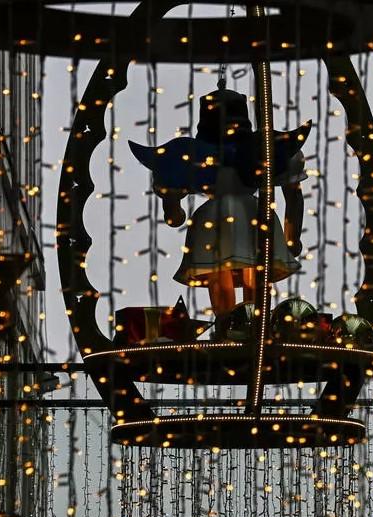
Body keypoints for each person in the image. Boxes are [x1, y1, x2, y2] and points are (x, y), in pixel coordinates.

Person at [130, 88, 310, 338]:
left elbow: (175, 218)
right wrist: (293, 236)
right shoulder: (257, 152)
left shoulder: (194, 156)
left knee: (238, 270)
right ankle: (236, 324)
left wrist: (172, 201)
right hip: (250, 217)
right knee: (236, 270)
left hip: (223, 219)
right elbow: (294, 195)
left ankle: (242, 324)